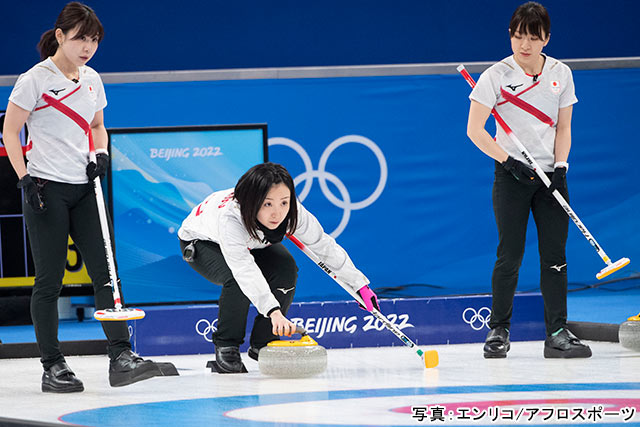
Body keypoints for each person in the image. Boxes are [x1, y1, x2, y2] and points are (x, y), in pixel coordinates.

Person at [2, 2, 171, 392]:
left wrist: (101, 153)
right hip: (45, 188)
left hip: (86, 190)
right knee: (49, 280)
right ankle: (53, 365)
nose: (88, 47)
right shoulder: (34, 79)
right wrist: (24, 179)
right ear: (60, 36)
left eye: (93, 40)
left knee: (106, 273)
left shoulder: (93, 79)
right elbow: (11, 132)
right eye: (80, 38)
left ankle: (121, 355)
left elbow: (97, 126)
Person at [465, 2, 591, 359]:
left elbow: (563, 126)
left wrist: (562, 165)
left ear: (546, 38)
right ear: (511, 35)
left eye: (533, 38)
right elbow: (475, 131)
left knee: (555, 256)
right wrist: (509, 161)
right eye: (518, 36)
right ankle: (499, 331)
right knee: (510, 255)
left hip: (552, 177)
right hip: (512, 176)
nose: (524, 45)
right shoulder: (495, 76)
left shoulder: (561, 74)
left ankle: (556, 332)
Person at [178, 162, 380, 373]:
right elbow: (244, 270)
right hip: (203, 242)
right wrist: (273, 311)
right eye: (267, 204)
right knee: (237, 279)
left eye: (284, 202)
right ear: (252, 202)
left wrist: (359, 285)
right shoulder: (231, 219)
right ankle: (227, 346)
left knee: (285, 268)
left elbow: (323, 245)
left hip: (253, 239)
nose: (278, 213)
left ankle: (263, 342)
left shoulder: (293, 212)